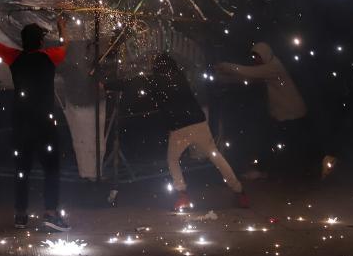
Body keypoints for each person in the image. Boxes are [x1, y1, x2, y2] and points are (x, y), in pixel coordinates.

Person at [110, 53, 250, 211]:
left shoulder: (155, 80)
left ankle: (182, 194)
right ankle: (239, 191)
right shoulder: (179, 76)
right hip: (198, 123)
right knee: (215, 156)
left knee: (172, 160)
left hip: (179, 128)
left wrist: (107, 85)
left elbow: (132, 83)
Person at [0, 7, 71, 231]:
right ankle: (50, 213)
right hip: (44, 123)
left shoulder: (15, 57)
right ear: (40, 42)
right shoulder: (50, 57)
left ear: (23, 41)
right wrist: (62, 26)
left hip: (21, 123)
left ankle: (20, 214)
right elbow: (64, 45)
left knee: (22, 169)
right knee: (51, 168)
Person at [214, 42, 333, 181]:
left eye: (257, 57)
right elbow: (248, 77)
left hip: (293, 114)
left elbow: (249, 72)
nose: (255, 61)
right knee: (294, 145)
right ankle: (303, 171)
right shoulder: (267, 69)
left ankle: (314, 168)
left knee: (298, 145)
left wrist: (226, 66)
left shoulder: (274, 67)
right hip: (285, 115)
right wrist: (223, 79)